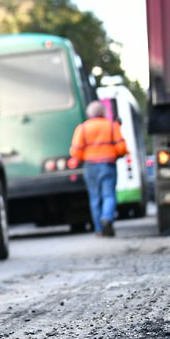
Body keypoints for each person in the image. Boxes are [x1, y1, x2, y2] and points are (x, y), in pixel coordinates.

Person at [70, 100, 129, 237]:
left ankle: (99, 229)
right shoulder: (112, 126)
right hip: (108, 164)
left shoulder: (82, 128)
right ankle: (107, 218)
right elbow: (121, 147)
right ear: (103, 112)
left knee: (95, 198)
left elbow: (76, 151)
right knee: (108, 195)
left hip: (90, 166)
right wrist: (117, 153)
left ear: (89, 114)